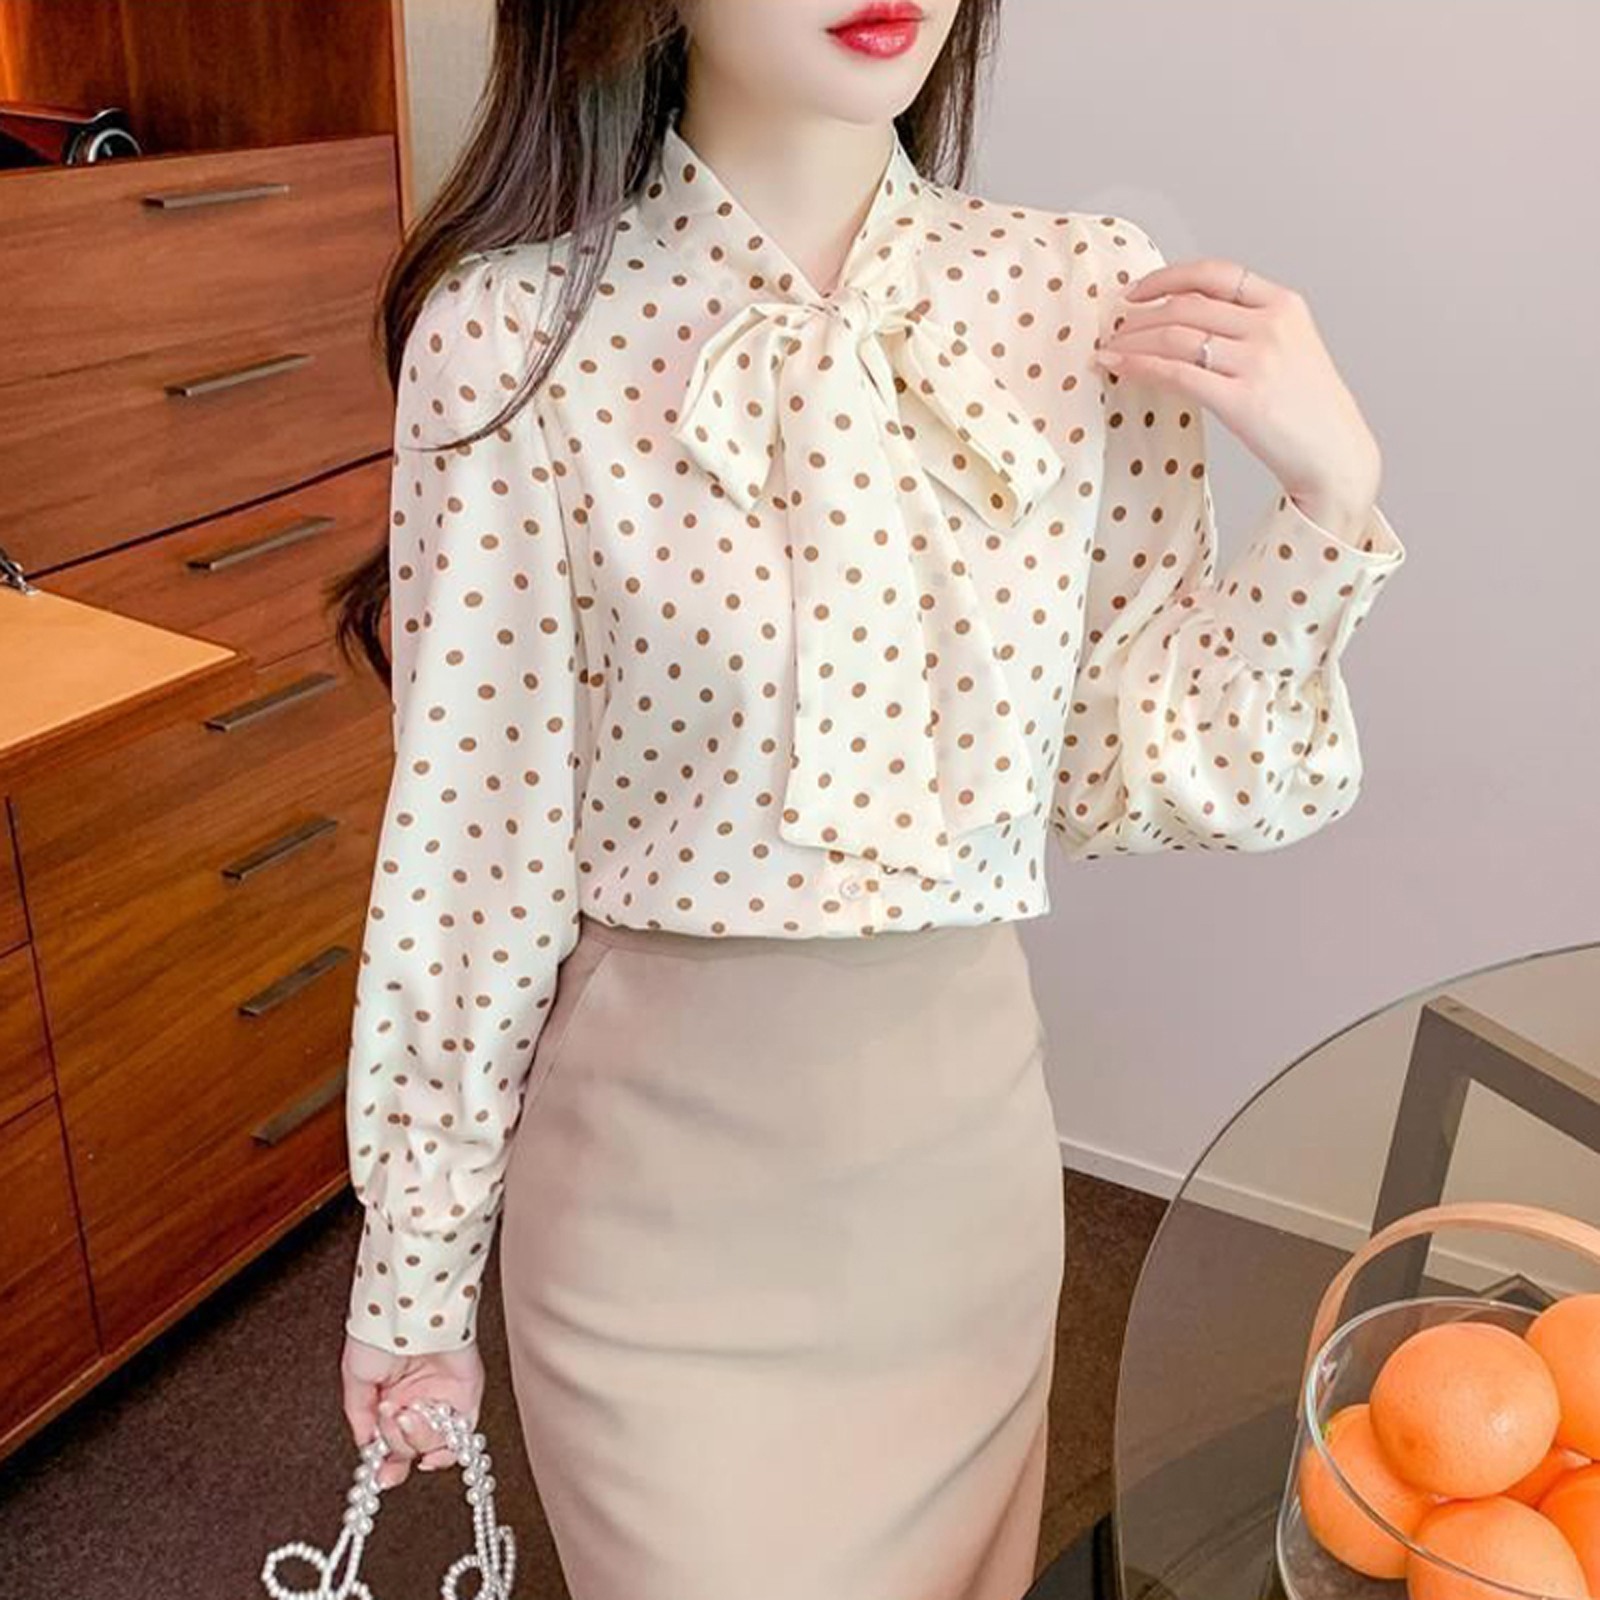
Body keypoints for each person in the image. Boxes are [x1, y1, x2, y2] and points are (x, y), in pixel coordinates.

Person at [331, 0, 1407, 1594]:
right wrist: (416, 1279)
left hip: (957, 1195)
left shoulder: (1077, 293)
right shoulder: (509, 335)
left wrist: (1330, 502)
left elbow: (1137, 778)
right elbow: (473, 860)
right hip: (649, 1210)